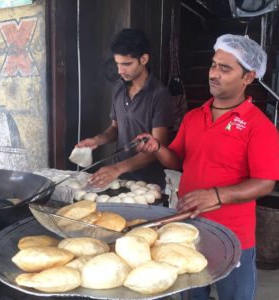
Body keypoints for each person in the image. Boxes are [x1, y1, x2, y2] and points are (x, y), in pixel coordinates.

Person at [134, 34, 279, 300]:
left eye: (225, 69)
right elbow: (178, 161)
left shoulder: (259, 127)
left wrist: (216, 195)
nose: (214, 74)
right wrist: (158, 148)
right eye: (214, 65)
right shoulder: (194, 116)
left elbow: (265, 182)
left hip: (233, 237)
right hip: (188, 228)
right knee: (193, 294)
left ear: (248, 77)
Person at [76, 28, 173, 188]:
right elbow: (115, 128)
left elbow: (157, 148)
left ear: (143, 59)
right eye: (118, 64)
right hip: (118, 178)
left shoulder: (159, 95)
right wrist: (96, 140)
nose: (120, 71)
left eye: (127, 64)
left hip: (147, 182)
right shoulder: (119, 88)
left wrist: (117, 168)